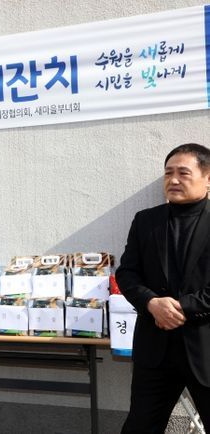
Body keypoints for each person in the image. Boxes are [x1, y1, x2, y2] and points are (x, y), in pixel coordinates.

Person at [116, 143, 210, 433]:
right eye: (168, 173)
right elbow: (127, 273)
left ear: (207, 178)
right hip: (155, 350)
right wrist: (151, 303)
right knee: (140, 426)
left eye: (183, 172)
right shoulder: (146, 221)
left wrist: (181, 307)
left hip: (205, 346)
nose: (174, 180)